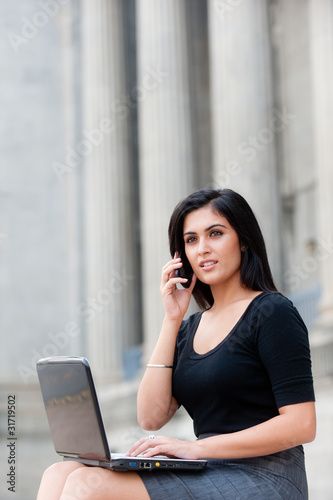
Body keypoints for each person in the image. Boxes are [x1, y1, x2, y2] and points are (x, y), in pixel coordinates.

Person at [37, 188, 316, 500]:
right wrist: (171, 320)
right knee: (61, 472)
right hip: (207, 468)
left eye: (216, 233)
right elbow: (150, 417)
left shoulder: (271, 311)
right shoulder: (188, 329)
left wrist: (193, 448)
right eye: (191, 239)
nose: (203, 249)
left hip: (267, 476)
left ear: (244, 240)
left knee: (89, 488)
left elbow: (301, 424)